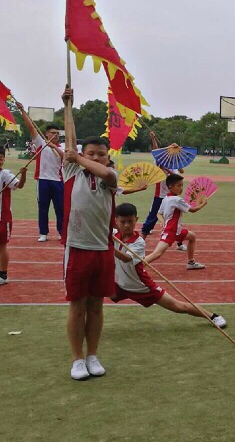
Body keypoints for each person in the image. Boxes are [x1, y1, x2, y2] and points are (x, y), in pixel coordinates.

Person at [60, 85, 119, 381]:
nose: (97, 158)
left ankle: (93, 355)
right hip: (77, 247)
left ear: (108, 157)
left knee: (96, 306)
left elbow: (105, 173)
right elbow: (71, 143)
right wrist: (68, 106)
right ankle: (77, 359)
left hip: (103, 249)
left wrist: (79, 156)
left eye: (101, 155)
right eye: (91, 154)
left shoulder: (110, 177)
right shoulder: (72, 172)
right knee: (77, 306)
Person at [110, 203, 227, 326]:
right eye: (123, 222)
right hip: (119, 283)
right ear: (116, 221)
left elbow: (127, 259)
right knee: (96, 293)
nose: (127, 225)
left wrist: (109, 246)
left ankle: (212, 316)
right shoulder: (113, 234)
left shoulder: (138, 242)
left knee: (178, 306)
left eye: (130, 221)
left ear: (136, 220)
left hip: (140, 286)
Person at [17, 101, 65, 242]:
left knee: (60, 208)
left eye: (57, 134)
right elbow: (31, 127)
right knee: (43, 207)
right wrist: (22, 111)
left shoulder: (62, 146)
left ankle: (62, 232)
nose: (56, 135)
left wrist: (54, 147)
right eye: (53, 133)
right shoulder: (40, 143)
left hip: (58, 181)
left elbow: (65, 157)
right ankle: (43, 233)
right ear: (47, 134)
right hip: (43, 180)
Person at [144, 173, 208, 269]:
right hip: (171, 231)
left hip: (176, 231)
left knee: (192, 237)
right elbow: (193, 210)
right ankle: (136, 267)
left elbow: (158, 213)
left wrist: (162, 222)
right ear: (170, 187)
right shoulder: (177, 200)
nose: (181, 188)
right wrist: (203, 204)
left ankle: (191, 262)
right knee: (157, 254)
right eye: (179, 186)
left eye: (182, 185)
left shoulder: (166, 198)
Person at [141, 131, 183, 239]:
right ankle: (142, 238)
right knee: (152, 217)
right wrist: (153, 138)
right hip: (160, 195)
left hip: (172, 196)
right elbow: (156, 151)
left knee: (175, 218)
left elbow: (178, 177)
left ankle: (179, 242)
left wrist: (167, 170)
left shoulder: (174, 165)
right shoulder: (159, 162)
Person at [0, 148, 27, 286]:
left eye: (1, 158)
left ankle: (3, 275)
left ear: (4, 159)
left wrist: (23, 175)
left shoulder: (5, 174)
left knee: (2, 245)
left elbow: (19, 185)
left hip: (2, 216)